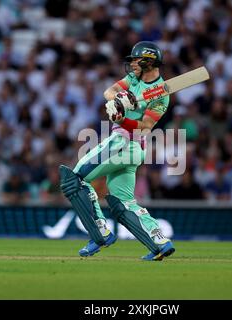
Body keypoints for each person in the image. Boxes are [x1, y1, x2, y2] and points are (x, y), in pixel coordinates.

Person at [60, 41, 175, 261]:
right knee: (124, 201)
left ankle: (100, 232)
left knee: (74, 178)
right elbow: (108, 91)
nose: (132, 64)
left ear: (148, 61)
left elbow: (146, 126)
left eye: (135, 59)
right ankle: (159, 241)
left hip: (124, 142)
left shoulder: (161, 94)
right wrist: (120, 99)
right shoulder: (133, 79)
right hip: (133, 151)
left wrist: (123, 119)